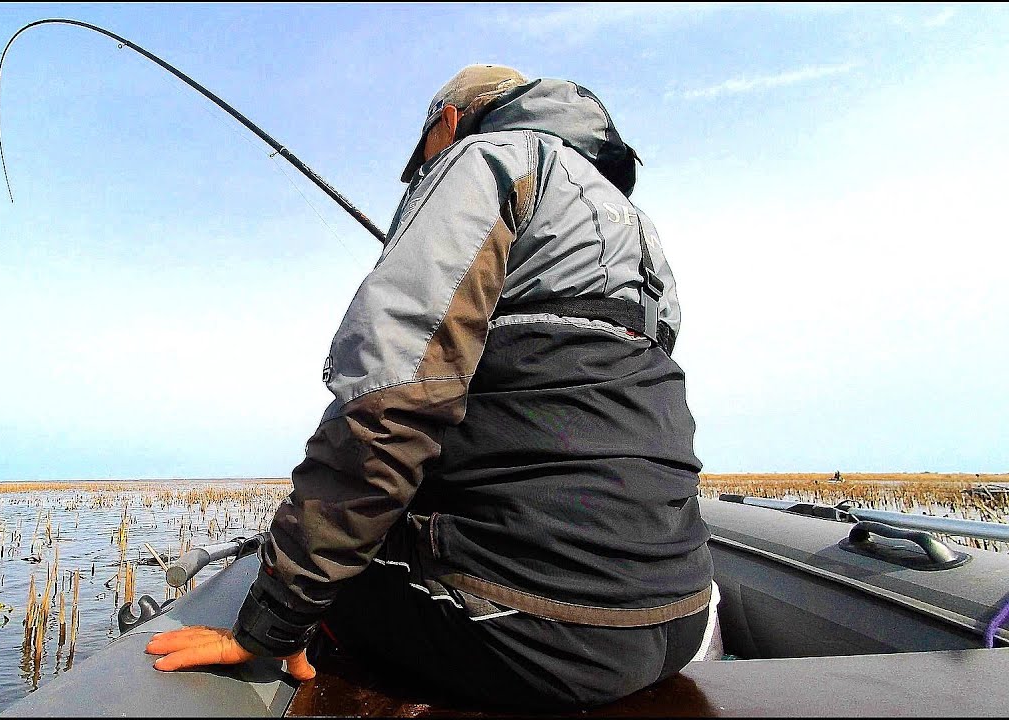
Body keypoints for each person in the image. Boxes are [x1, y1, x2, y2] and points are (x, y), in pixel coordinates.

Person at [145, 64, 714, 711]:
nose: (421, 177)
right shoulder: (638, 231)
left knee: (335, 587)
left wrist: (273, 622)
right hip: (678, 619)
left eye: (422, 160)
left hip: (539, 637)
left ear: (447, 122)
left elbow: (386, 410)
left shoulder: (486, 160)